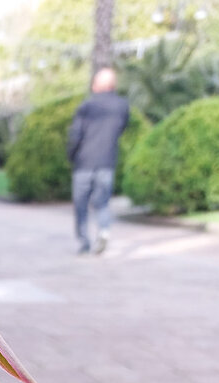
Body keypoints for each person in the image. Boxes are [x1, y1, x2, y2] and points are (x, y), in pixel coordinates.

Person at [67, 66, 130, 255]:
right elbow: (122, 127)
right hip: (106, 161)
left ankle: (84, 241)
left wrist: (71, 155)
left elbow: (75, 134)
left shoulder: (86, 106)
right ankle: (103, 231)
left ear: (96, 85)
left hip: (84, 162)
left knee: (81, 204)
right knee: (102, 202)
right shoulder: (122, 105)